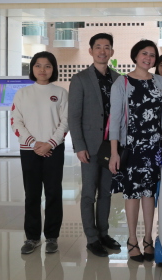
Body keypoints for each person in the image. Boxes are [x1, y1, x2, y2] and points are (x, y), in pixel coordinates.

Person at [108, 40, 162, 262]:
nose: (148, 58)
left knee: (150, 193)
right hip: (132, 147)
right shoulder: (122, 82)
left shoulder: (159, 81)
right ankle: (132, 240)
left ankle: (148, 239)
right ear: (135, 56)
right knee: (132, 194)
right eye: (144, 53)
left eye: (152, 55)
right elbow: (115, 120)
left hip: (154, 147)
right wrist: (114, 153)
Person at [68, 33, 121, 257]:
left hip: (111, 146)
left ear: (112, 52)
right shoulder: (79, 79)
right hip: (89, 146)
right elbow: (74, 116)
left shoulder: (118, 79)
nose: (102, 51)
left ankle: (104, 233)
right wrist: (79, 146)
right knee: (89, 192)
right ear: (90, 51)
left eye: (107, 47)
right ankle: (91, 238)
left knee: (106, 193)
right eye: (98, 47)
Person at [11, 51, 68, 255]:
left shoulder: (61, 93)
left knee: (53, 193)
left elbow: (66, 122)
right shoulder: (22, 93)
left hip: (54, 149)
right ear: (32, 68)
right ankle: (32, 238)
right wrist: (34, 144)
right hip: (30, 150)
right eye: (38, 65)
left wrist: (50, 144)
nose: (42, 70)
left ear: (53, 69)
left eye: (47, 66)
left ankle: (52, 237)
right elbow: (16, 121)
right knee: (32, 194)